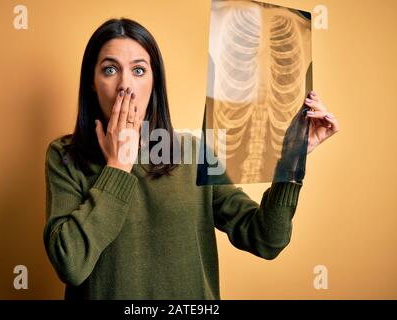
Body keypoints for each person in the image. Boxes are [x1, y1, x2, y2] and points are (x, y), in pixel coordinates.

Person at [43, 18, 339, 300]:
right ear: (92, 83)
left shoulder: (192, 152)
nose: (125, 85)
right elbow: (71, 264)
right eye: (109, 70)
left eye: (138, 70)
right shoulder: (64, 156)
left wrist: (290, 162)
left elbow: (265, 239)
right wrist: (118, 165)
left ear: (154, 81)